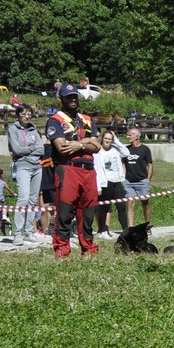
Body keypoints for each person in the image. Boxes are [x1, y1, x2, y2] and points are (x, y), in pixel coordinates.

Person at [47, 83, 101, 258]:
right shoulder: (55, 120)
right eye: (69, 97)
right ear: (60, 99)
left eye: (75, 96)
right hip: (68, 169)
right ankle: (62, 249)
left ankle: (88, 248)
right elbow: (62, 148)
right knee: (65, 212)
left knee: (88, 213)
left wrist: (78, 144)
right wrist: (87, 143)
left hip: (89, 170)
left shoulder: (87, 119)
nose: (73, 100)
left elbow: (98, 145)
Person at [6, 104, 44, 245]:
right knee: (23, 198)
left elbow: (41, 149)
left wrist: (27, 149)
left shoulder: (34, 129)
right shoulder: (13, 129)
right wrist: (32, 148)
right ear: (18, 115)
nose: (27, 116)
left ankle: (29, 231)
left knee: (33, 200)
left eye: (29, 114)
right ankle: (17, 233)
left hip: (37, 166)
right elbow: (16, 150)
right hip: (23, 166)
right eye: (24, 114)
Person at [92, 130, 125, 237]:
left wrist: (116, 140)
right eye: (106, 138)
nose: (107, 141)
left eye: (110, 139)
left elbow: (126, 153)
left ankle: (126, 230)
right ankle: (103, 230)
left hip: (117, 181)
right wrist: (98, 186)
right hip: (106, 182)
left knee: (121, 207)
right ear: (102, 138)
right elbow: (96, 169)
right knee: (104, 208)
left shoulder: (115, 150)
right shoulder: (97, 152)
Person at [119, 126, 154, 228]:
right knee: (130, 204)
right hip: (128, 182)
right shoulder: (126, 150)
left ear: (137, 136)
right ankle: (131, 228)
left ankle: (146, 226)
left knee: (145, 203)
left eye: (130, 134)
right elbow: (124, 164)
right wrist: (124, 179)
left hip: (142, 181)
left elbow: (150, 165)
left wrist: (148, 179)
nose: (127, 136)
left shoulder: (145, 149)